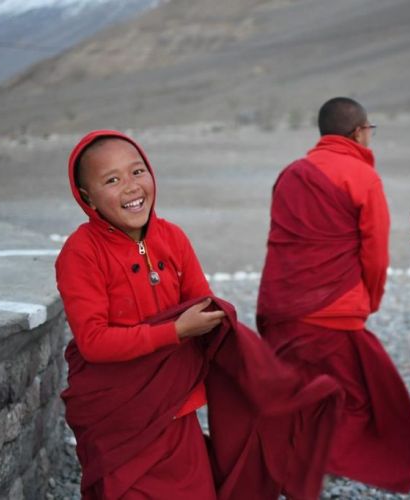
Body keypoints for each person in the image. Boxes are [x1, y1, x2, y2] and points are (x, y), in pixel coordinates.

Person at [56, 130, 343, 499]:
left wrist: (271, 378)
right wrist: (175, 331)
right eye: (111, 180)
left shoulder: (172, 237)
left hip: (178, 414)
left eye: (137, 172)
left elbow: (204, 309)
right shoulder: (81, 253)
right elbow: (93, 342)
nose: (130, 187)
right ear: (86, 196)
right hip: (121, 422)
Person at [256, 97, 410, 493]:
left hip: (280, 304)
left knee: (294, 390)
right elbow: (375, 253)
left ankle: (283, 464)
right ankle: (319, 463)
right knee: (355, 399)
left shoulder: (291, 174)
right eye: (370, 131)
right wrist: (369, 300)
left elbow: (282, 242)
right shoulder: (362, 177)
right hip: (334, 310)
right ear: (359, 132)